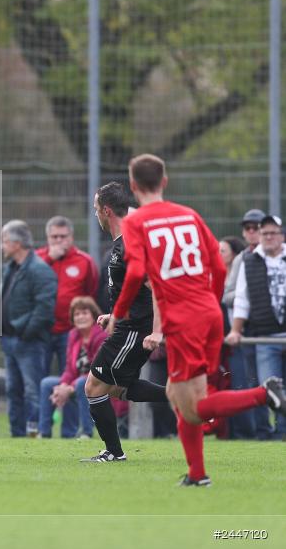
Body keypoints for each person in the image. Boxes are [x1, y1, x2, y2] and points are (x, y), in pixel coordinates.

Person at [109, 155, 286, 486]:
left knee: (193, 407)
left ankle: (266, 394)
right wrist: (211, 302)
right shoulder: (189, 214)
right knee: (179, 395)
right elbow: (219, 267)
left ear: (133, 187)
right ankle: (197, 474)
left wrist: (119, 312)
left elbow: (134, 272)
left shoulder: (136, 223)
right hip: (209, 312)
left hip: (183, 320)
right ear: (165, 181)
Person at [81, 181, 167, 463]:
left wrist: (156, 331)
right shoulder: (122, 243)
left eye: (96, 210)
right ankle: (184, 398)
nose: (95, 216)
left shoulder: (131, 242)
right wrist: (114, 313)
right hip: (126, 325)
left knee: (94, 387)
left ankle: (114, 453)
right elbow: (133, 289)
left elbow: (156, 287)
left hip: (135, 330)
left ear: (107, 211)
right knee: (119, 388)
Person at [225, 214, 286, 440]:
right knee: (269, 388)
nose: (269, 237)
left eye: (273, 233)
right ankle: (271, 433)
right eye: (265, 233)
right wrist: (235, 330)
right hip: (264, 335)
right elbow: (241, 299)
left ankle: (282, 433)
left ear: (282, 236)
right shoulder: (248, 260)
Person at [0, 220, 57, 437]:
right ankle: (17, 435)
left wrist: (25, 333)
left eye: (4, 240)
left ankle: (37, 434)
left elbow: (44, 309)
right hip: (10, 341)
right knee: (13, 391)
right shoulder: (10, 269)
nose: (1, 246)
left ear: (16, 243)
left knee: (33, 391)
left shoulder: (40, 270)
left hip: (28, 342)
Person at [222, 210, 267, 438]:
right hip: (248, 330)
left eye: (256, 227)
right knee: (254, 384)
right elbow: (229, 294)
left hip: (273, 328)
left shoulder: (278, 255)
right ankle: (261, 432)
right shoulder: (242, 259)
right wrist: (249, 298)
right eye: (247, 228)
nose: (251, 232)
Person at [36, 216, 99, 375]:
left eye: (63, 236)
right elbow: (27, 283)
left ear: (71, 237)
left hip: (72, 331)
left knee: (71, 375)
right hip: (41, 330)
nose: (58, 240)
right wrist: (50, 258)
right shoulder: (37, 259)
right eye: (54, 237)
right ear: (47, 237)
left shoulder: (84, 261)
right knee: (38, 379)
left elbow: (91, 294)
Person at [38, 296, 106, 438]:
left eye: (85, 313)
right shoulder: (73, 335)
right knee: (47, 383)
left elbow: (96, 370)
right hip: (77, 381)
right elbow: (69, 368)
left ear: (93, 315)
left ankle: (86, 432)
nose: (81, 317)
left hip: (100, 381)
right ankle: (44, 432)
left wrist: (69, 388)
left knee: (82, 383)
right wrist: (62, 385)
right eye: (77, 314)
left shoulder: (100, 336)